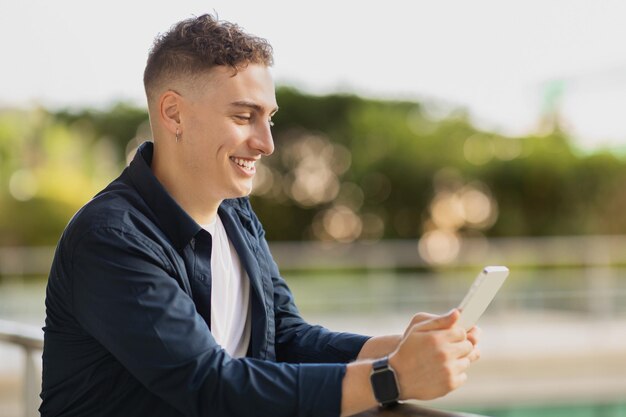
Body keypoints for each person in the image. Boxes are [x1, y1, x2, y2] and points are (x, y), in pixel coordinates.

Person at [40, 14, 480, 417]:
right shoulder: (111, 238)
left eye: (268, 118)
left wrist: (397, 349)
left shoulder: (236, 215)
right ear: (174, 113)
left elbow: (284, 337)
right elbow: (210, 385)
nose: (266, 143)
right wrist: (390, 378)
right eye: (244, 116)